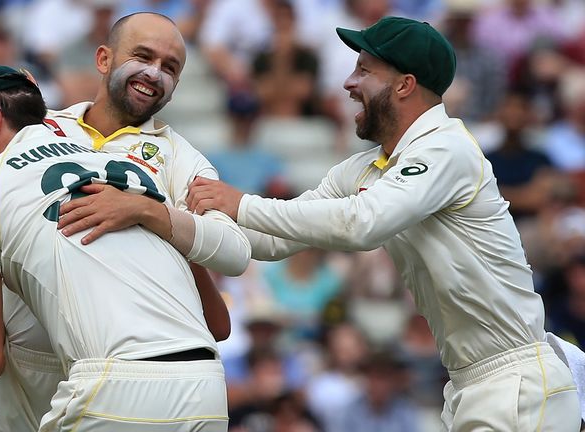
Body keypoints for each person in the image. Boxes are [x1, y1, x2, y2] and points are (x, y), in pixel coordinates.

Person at [185, 16, 582, 431]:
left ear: (404, 85)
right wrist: (176, 225)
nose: (348, 83)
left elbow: (363, 224)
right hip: (472, 383)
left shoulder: (448, 148)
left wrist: (241, 203)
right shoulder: (366, 168)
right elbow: (268, 240)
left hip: (516, 380)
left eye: (364, 70)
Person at [0, 12, 248, 431]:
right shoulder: (43, 126)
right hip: (30, 372)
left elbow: (234, 255)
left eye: (170, 67)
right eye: (143, 56)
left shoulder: (182, 160)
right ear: (103, 58)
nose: (153, 73)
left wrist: (147, 211)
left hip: (105, 367)